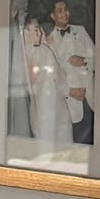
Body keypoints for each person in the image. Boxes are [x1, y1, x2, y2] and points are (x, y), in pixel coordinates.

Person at [47, 0, 95, 147]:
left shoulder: (81, 31)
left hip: (92, 98)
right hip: (71, 104)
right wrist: (70, 91)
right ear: (52, 16)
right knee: (78, 148)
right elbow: (52, 76)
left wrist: (84, 61)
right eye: (60, 11)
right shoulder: (48, 41)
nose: (64, 13)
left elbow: (99, 60)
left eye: (66, 9)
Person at [22, 16, 71, 148]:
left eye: (39, 29)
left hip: (45, 106)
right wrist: (49, 48)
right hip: (49, 105)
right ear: (25, 32)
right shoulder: (42, 50)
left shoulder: (29, 52)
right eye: (36, 29)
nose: (40, 33)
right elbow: (61, 78)